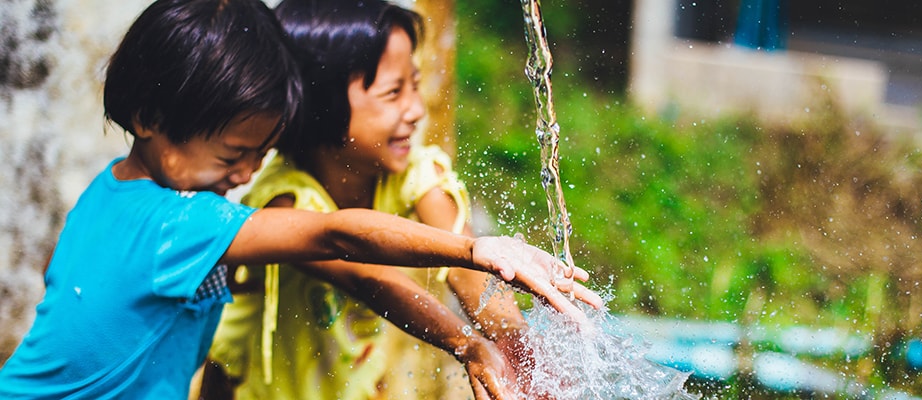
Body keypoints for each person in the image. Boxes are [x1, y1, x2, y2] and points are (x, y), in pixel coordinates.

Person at [0, 0, 599, 398]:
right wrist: (475, 250)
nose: (246, 174)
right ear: (150, 117)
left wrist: (482, 338)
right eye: (233, 154)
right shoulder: (182, 221)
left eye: (259, 153)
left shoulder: (108, 191)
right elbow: (338, 236)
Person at [201, 1, 576, 399]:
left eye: (415, 85)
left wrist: (514, 340)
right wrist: (465, 342)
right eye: (393, 92)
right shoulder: (283, 202)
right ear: (321, 102)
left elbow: (468, 270)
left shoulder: (412, 174)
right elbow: (367, 275)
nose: (415, 109)